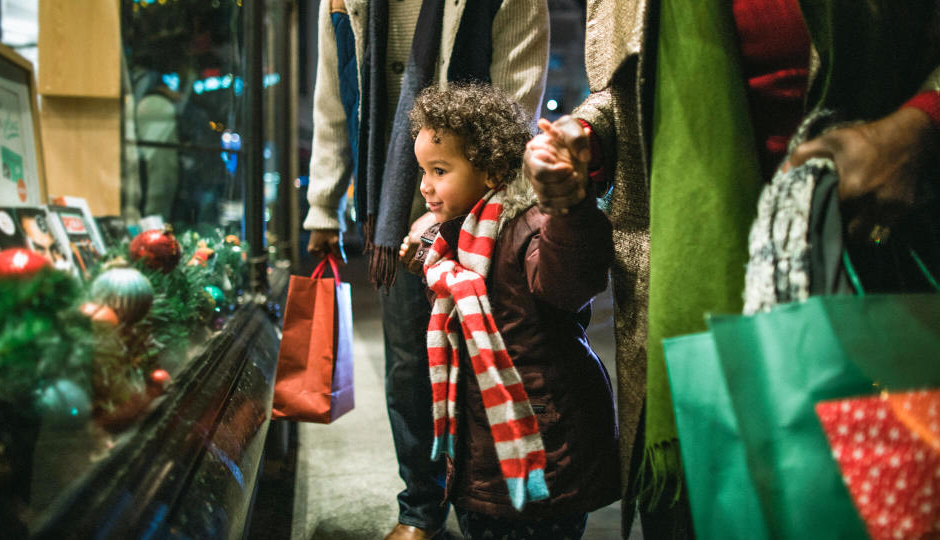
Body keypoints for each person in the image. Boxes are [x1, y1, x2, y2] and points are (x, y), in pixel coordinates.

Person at [524, 1, 940, 538]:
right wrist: (584, 132)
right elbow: (630, 93)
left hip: (876, 262)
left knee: (873, 509)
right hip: (689, 299)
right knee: (699, 513)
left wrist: (921, 126)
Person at [304, 2, 549, 539]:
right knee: (411, 369)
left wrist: (485, 208)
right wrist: (324, 202)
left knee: (491, 360)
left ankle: (490, 508)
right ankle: (420, 507)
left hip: (481, 207)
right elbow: (334, 99)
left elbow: (518, 101)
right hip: (394, 208)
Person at [403, 82, 620, 540]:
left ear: (490, 169)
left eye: (439, 170)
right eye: (422, 169)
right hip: (478, 453)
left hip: (543, 445)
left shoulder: (532, 225)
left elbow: (569, 280)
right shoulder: (451, 240)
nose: (425, 185)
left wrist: (569, 207)